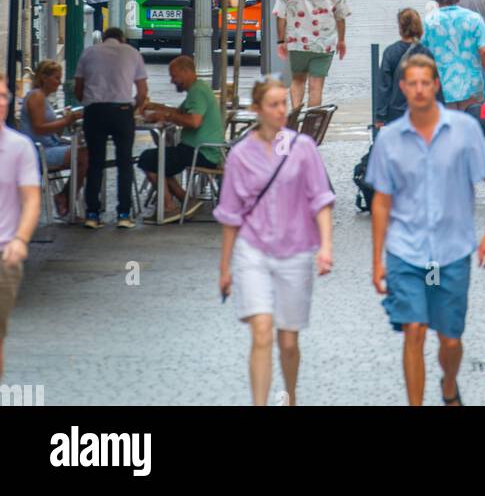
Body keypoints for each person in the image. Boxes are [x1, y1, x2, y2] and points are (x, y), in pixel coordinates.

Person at [367, 54, 485, 406]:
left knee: (450, 339)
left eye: (425, 82)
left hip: (451, 251)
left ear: (436, 85)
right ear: (403, 88)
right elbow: (381, 200)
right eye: (412, 83)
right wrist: (377, 259)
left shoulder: (463, 130)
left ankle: (448, 383)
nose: (419, 90)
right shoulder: (390, 139)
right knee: (414, 330)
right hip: (407, 252)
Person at [215, 77, 334, 407]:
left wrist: (325, 246)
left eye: (284, 103)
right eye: (274, 104)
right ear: (257, 109)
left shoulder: (302, 149)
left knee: (288, 342)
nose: (282, 110)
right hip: (252, 251)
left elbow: (320, 199)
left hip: (295, 250)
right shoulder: (240, 155)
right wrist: (225, 267)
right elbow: (230, 216)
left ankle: (291, 396)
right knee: (262, 330)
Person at [74, 27, 148, 229]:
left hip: (95, 112)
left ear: (104, 38)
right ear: (122, 39)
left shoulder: (89, 52)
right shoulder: (132, 53)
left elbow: (78, 88)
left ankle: (92, 214)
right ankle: (123, 214)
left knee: (95, 162)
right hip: (122, 111)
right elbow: (142, 91)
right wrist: (133, 107)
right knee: (124, 163)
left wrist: (88, 102)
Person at [138, 56, 224, 223]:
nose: (172, 81)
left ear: (186, 72)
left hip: (201, 152)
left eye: (174, 76)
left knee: (148, 159)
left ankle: (169, 207)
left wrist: (165, 115)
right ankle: (187, 201)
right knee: (159, 160)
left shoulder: (197, 91)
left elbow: (193, 121)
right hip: (203, 150)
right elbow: (180, 112)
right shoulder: (198, 89)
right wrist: (157, 107)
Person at [0, 74, 41, 381]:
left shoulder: (19, 147)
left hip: (5, 254)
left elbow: (31, 199)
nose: (2, 102)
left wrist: (21, 240)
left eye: (4, 96)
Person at [274, 0, 350, 111]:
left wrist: (281, 40)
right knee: (316, 85)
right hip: (324, 43)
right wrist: (341, 40)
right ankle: (310, 124)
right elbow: (340, 15)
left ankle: (295, 117)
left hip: (297, 42)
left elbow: (280, 15)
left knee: (297, 80)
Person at [421, 0, 485, 109]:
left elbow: (421, 55)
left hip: (441, 88)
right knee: (470, 124)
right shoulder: (473, 19)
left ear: (436, 0)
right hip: (471, 87)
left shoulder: (429, 22)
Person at [19, 60, 85, 218]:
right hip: (38, 152)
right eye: (56, 78)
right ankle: (66, 198)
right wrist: (67, 120)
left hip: (48, 145)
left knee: (86, 154)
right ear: (44, 78)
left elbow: (53, 131)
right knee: (84, 156)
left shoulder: (43, 98)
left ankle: (66, 196)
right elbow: (39, 127)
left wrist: (65, 120)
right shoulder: (36, 97)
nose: (59, 83)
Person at [374, 9, 437, 126]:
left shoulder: (390, 52)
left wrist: (380, 116)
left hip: (396, 112)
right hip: (422, 109)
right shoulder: (426, 52)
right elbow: (434, 84)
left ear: (400, 28)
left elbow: (384, 86)